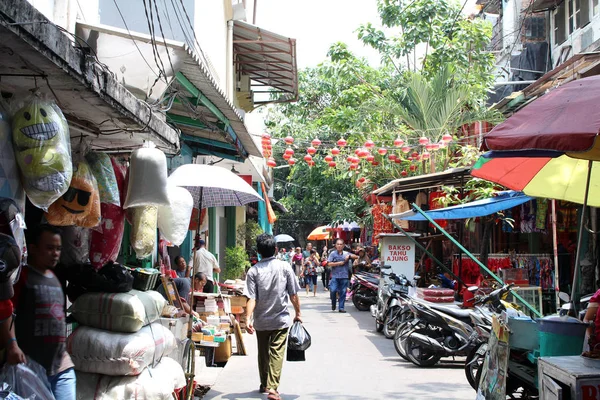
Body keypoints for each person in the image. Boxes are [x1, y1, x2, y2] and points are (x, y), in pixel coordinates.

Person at [6, 225, 75, 399]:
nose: (55, 253)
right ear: (34, 248)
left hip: (62, 366)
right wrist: (12, 344)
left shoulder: (54, 279)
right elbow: (8, 313)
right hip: (31, 368)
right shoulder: (22, 277)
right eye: (50, 248)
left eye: (58, 249)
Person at [245, 234, 301, 400]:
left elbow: (251, 298)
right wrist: (298, 313)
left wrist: (247, 319)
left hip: (261, 321)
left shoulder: (253, 270)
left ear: (259, 252)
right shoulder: (284, 267)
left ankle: (265, 383)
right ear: (276, 250)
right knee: (276, 353)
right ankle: (273, 388)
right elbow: (293, 294)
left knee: (263, 353)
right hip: (280, 319)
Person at [327, 238, 358, 313]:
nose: (339, 246)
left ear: (343, 245)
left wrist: (349, 257)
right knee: (333, 290)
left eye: (341, 244)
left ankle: (341, 308)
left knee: (343, 292)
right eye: (338, 244)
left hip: (344, 276)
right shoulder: (332, 254)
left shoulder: (346, 253)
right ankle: (333, 303)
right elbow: (329, 263)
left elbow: (357, 256)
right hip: (335, 276)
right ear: (335, 245)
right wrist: (338, 263)